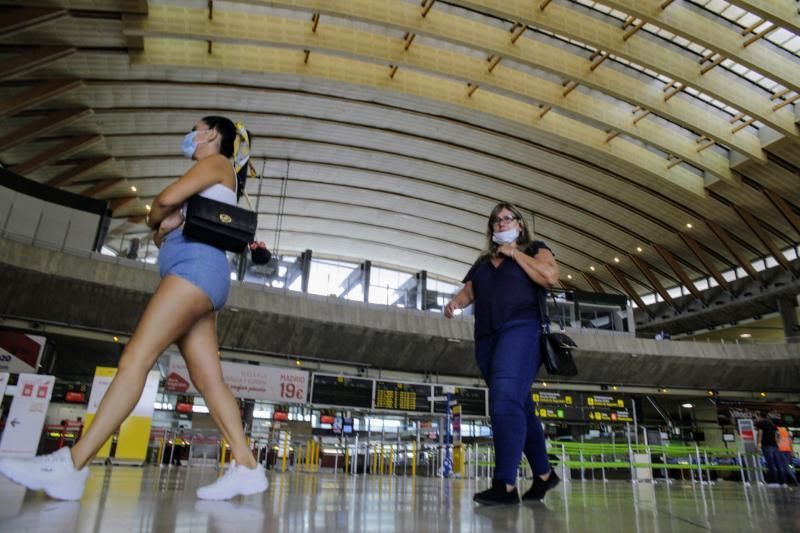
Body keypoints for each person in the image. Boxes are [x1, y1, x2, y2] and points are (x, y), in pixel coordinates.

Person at [0, 116, 268, 501]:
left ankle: (72, 465)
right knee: (209, 381)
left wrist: (158, 218)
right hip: (199, 274)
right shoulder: (208, 183)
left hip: (193, 272)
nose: (190, 134)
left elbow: (160, 205)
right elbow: (162, 232)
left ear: (212, 134)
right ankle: (246, 465)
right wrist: (162, 225)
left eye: (196, 128)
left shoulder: (216, 163)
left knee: (135, 360)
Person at [445, 202, 560, 505]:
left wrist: (515, 253)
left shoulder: (535, 248)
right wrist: (455, 303)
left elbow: (549, 277)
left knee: (504, 401)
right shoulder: (483, 261)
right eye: (496, 220)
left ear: (520, 224)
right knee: (519, 405)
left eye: (508, 218)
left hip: (522, 329)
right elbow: (471, 291)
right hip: (486, 338)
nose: (501, 223)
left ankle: (505, 485)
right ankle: (545, 475)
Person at [755, 411, 785, 486]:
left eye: (757, 417)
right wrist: (777, 442)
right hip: (775, 446)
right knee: (778, 464)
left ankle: (773, 481)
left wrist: (758, 444)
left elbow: (760, 433)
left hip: (767, 445)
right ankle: (783, 481)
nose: (756, 419)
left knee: (770, 464)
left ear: (760, 416)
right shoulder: (771, 424)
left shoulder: (760, 423)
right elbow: (777, 434)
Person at [776, 420, 798, 485]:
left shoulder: (777, 431)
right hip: (788, 451)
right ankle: (794, 477)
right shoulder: (789, 432)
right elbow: (790, 442)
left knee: (782, 466)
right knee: (790, 466)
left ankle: (785, 481)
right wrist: (792, 452)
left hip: (780, 451)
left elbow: (776, 441)